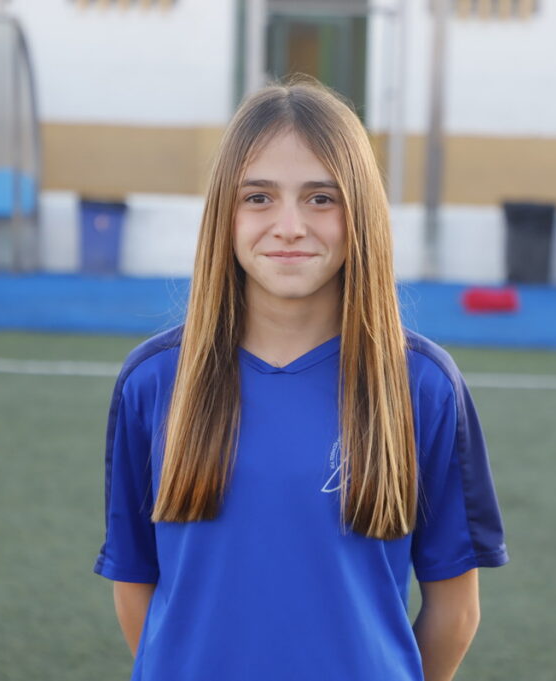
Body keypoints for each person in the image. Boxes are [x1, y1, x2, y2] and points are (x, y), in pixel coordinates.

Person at [94, 77, 508, 681]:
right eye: (258, 197)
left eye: (321, 198)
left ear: (359, 211)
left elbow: (455, 609)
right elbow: (136, 586)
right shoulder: (155, 382)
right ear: (224, 216)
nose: (289, 226)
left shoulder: (422, 386)